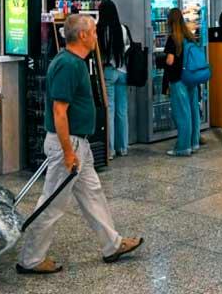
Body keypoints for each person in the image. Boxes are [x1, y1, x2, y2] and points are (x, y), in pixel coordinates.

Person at [16, 14, 142, 275]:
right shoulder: (68, 65)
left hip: (78, 143)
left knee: (93, 194)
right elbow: (59, 111)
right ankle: (31, 259)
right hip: (68, 144)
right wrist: (67, 152)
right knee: (52, 202)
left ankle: (112, 244)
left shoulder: (76, 62)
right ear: (82, 35)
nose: (96, 36)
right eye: (94, 31)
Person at [163, 8, 201, 157]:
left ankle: (183, 147)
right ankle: (194, 143)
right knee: (193, 111)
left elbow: (170, 61)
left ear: (170, 21)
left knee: (182, 113)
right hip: (191, 78)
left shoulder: (173, 38)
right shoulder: (189, 36)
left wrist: (162, 61)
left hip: (178, 80)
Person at [97, 0, 131, 158]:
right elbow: (127, 48)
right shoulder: (123, 29)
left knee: (109, 110)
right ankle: (123, 147)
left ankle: (109, 150)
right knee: (122, 111)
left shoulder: (100, 30)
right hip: (123, 71)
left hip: (108, 72)